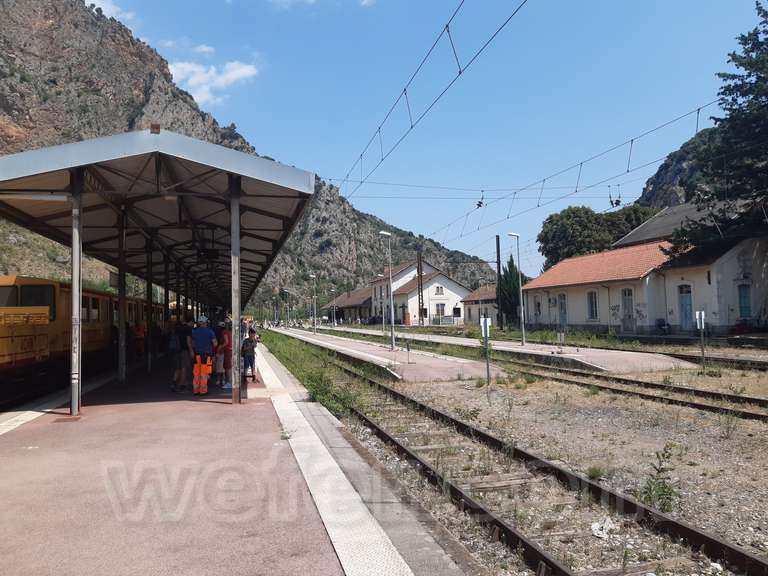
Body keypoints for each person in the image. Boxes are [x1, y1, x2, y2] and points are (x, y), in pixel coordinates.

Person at [188, 315, 217, 395]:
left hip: (196, 355)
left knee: (196, 373)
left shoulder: (194, 332)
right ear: (205, 323)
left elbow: (192, 343)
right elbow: (215, 344)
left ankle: (196, 390)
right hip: (206, 355)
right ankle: (203, 391)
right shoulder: (210, 331)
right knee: (204, 374)